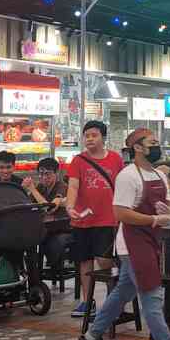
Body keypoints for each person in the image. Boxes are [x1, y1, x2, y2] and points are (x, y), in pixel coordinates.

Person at [79, 128, 170, 340]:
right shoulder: (127, 176)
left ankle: (91, 336)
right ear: (138, 148)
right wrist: (154, 220)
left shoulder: (160, 176)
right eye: (152, 143)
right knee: (152, 295)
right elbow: (120, 213)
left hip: (152, 240)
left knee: (123, 291)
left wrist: (169, 213)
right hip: (132, 244)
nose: (157, 147)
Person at [65, 120, 124, 318]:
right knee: (85, 261)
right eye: (87, 135)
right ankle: (86, 301)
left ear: (103, 138)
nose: (89, 139)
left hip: (108, 219)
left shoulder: (115, 159)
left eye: (94, 135)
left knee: (104, 259)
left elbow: (122, 185)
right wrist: (70, 206)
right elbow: (73, 186)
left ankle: (113, 300)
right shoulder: (78, 160)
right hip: (82, 220)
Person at [26, 157, 71, 272]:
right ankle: (33, 274)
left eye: (48, 174)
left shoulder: (62, 187)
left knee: (43, 241)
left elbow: (50, 208)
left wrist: (32, 190)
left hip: (62, 228)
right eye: (41, 174)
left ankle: (43, 270)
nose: (44, 177)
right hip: (46, 227)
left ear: (56, 173)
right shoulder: (41, 187)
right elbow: (29, 204)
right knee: (28, 241)